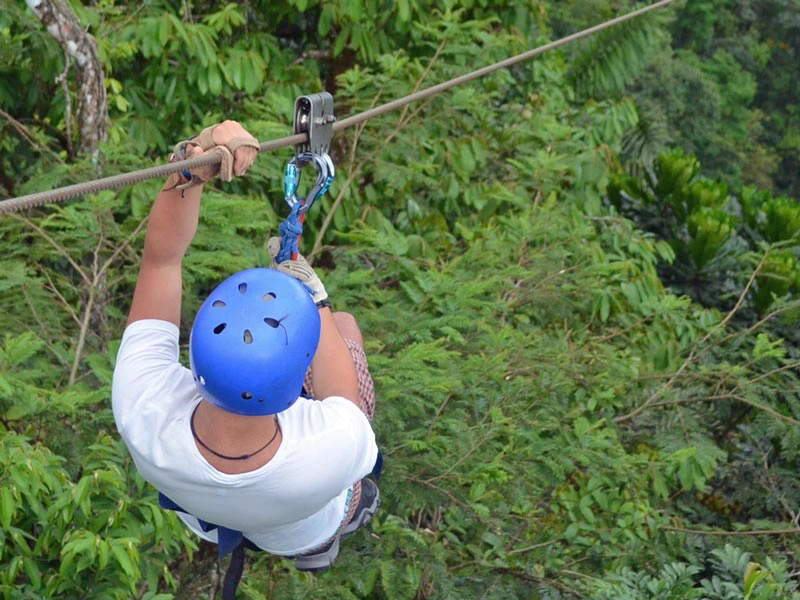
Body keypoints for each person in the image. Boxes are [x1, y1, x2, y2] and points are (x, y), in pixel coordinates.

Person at [111, 120, 380, 578]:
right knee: (347, 328)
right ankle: (336, 527)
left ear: (195, 353)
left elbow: (162, 258)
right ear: (298, 387)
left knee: (336, 327)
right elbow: (345, 400)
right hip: (305, 521)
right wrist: (314, 297)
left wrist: (194, 160)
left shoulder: (146, 407)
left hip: (207, 519)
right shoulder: (331, 447)